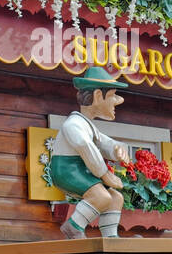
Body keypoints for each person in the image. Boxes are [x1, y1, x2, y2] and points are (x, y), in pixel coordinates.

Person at [49, 66, 130, 238]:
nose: (118, 100)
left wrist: (117, 148)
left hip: (80, 170)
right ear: (98, 96)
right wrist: (105, 175)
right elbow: (87, 148)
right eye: (113, 95)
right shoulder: (73, 124)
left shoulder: (87, 124)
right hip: (66, 170)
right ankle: (73, 227)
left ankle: (110, 236)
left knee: (115, 197)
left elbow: (103, 142)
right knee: (101, 196)